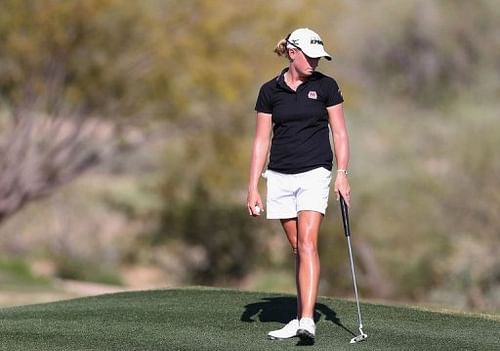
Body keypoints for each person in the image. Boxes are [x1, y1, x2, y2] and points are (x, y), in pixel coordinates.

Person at [247, 27, 351, 343]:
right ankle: (298, 316)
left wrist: (342, 172)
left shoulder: (327, 87)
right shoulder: (269, 91)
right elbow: (261, 140)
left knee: (307, 243)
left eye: (319, 57)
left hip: (315, 172)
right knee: (297, 248)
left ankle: (307, 320)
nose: (315, 62)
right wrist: (252, 186)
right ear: (293, 53)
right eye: (310, 56)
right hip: (279, 175)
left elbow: (341, 133)